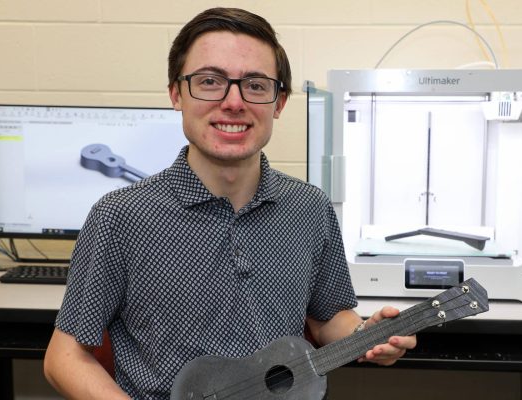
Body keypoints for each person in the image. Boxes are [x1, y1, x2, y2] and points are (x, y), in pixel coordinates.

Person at [43, 7, 416, 399]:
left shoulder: (309, 208)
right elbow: (64, 357)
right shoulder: (120, 217)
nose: (234, 102)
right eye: (210, 81)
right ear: (176, 94)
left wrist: (366, 335)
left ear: (279, 102)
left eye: (255, 85)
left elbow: (328, 319)